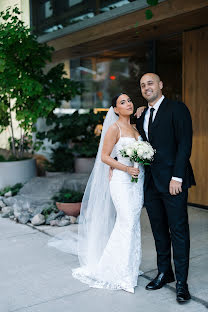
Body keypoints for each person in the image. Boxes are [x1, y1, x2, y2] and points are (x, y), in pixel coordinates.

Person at [68, 94, 145, 293]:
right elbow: (104, 157)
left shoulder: (136, 128)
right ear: (115, 109)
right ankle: (115, 272)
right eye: (122, 102)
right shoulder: (114, 128)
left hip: (137, 181)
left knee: (133, 223)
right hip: (121, 180)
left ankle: (129, 269)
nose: (128, 103)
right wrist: (125, 168)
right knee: (126, 221)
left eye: (129, 100)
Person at [136, 73, 196, 303]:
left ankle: (182, 282)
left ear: (161, 85)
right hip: (150, 182)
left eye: (150, 83)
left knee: (178, 231)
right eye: (142, 85)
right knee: (159, 230)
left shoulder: (177, 109)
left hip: (173, 182)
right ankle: (165, 272)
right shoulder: (142, 114)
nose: (146, 87)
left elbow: (184, 145)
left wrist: (177, 177)